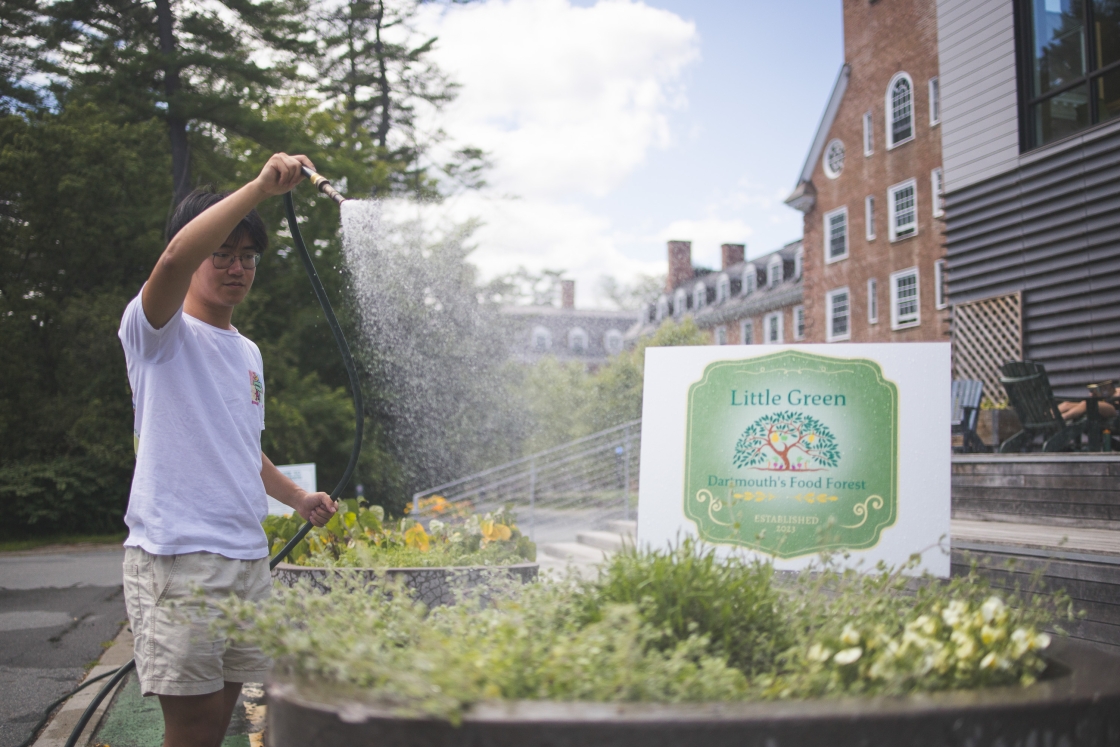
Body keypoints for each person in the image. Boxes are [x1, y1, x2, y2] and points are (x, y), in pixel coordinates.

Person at [117, 153, 337, 747]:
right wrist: (261, 188)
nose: (237, 267)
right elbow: (173, 258)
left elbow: (242, 445)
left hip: (244, 557)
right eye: (223, 254)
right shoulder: (156, 332)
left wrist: (296, 497)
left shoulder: (247, 353)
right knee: (189, 730)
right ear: (198, 253)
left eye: (248, 257)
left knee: (217, 727)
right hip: (178, 555)